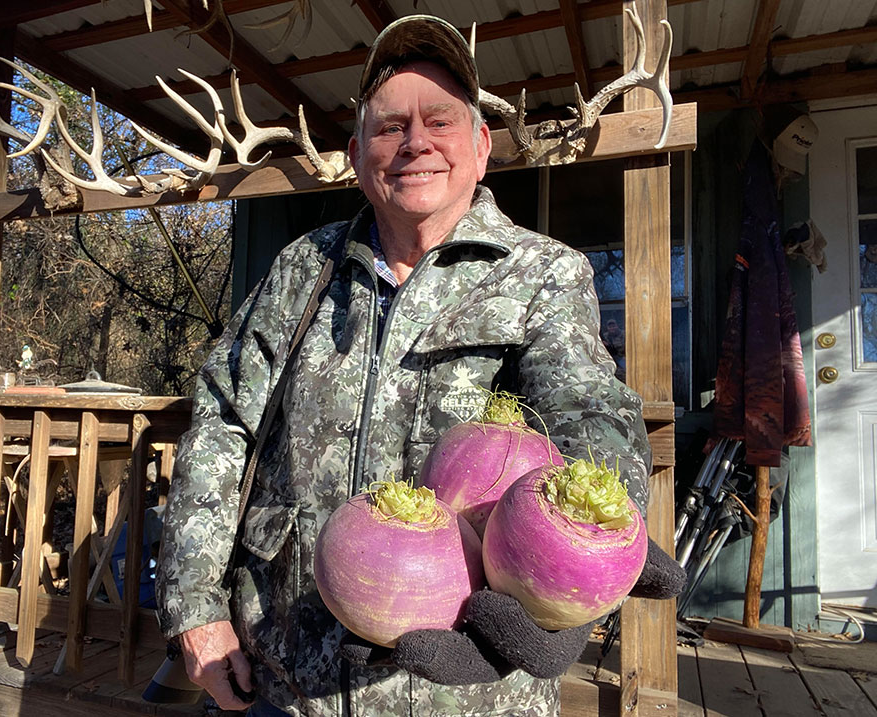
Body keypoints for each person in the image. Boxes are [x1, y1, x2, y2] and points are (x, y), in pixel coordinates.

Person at [156, 15, 682, 717]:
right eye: (389, 126)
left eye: (440, 120)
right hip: (287, 681)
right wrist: (194, 600)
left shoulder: (543, 275)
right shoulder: (301, 270)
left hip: (471, 695)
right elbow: (223, 420)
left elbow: (587, 407)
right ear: (355, 153)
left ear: (481, 145)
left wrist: (592, 532)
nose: (416, 143)